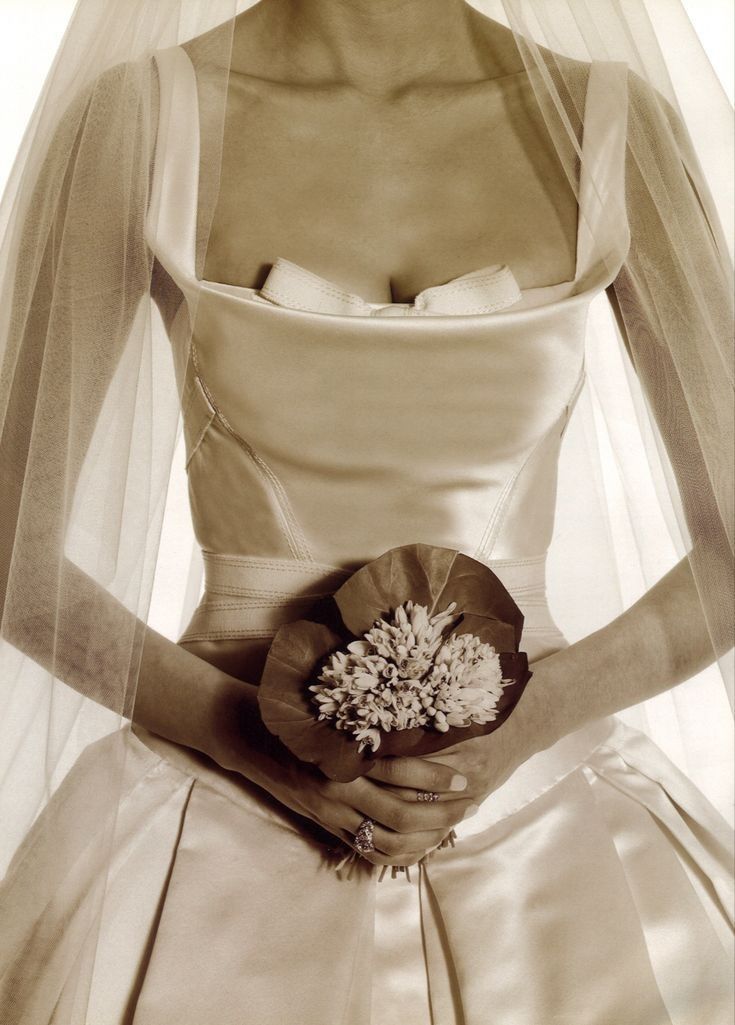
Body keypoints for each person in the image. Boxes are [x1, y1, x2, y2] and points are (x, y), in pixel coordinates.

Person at [0, 1, 732, 1023]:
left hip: (551, 818)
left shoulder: (604, 122)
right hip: (215, 810)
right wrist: (256, 742)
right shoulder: (142, 118)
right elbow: (12, 557)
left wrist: (521, 730)